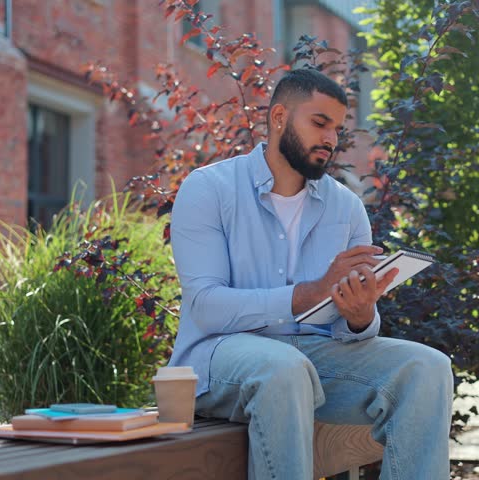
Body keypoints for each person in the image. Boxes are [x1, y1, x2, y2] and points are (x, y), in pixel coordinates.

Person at [168, 68, 453, 479]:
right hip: (219, 356)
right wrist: (311, 291)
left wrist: (359, 314)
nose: (331, 139)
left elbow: (351, 328)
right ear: (280, 117)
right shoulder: (208, 188)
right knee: (282, 368)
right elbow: (207, 308)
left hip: (314, 362)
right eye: (319, 123)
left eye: (337, 128)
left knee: (427, 367)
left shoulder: (346, 206)